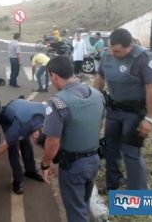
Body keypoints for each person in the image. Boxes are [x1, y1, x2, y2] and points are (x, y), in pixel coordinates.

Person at [40, 56, 105, 222]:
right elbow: (100, 123)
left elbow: (52, 141)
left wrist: (45, 164)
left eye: (50, 77)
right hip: (94, 160)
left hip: (73, 167)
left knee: (76, 213)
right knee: (82, 203)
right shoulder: (97, 95)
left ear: (54, 76)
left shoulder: (57, 103)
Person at [93, 28, 152, 192]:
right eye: (111, 49)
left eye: (117, 51)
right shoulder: (107, 55)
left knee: (131, 153)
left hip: (134, 114)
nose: (113, 53)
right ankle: (112, 186)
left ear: (129, 46)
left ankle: (138, 195)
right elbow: (99, 78)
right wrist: (96, 105)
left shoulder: (144, 59)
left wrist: (150, 118)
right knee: (111, 149)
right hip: (114, 110)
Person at [0, 99, 45, 194]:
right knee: (13, 147)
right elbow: (2, 147)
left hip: (24, 109)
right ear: (36, 135)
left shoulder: (49, 115)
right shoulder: (20, 126)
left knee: (27, 144)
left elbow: (49, 107)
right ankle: (17, 180)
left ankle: (30, 170)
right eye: (37, 143)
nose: (37, 144)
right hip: (9, 118)